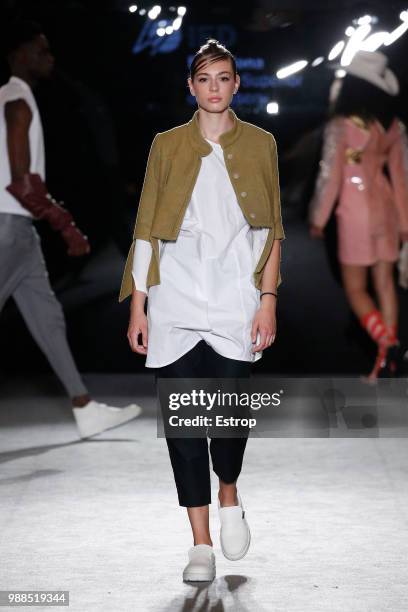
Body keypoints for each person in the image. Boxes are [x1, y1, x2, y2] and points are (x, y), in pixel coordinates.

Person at [120, 39, 285, 581]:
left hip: (237, 299)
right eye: (204, 78)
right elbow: (146, 227)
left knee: (229, 421)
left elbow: (272, 231)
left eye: (224, 78)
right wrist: (140, 304)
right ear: (190, 87)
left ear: (237, 85)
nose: (214, 87)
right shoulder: (166, 146)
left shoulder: (262, 145)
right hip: (176, 300)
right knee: (185, 428)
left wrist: (268, 301)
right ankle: (199, 544)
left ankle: (230, 494)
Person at [0, 20, 141, 438]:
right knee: (47, 318)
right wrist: (65, 224)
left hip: (18, 229)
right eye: (42, 51)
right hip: (9, 226)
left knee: (48, 319)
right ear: (21, 55)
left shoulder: (11, 97)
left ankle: (84, 406)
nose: (51, 59)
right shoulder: (17, 100)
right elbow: (22, 179)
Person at [309, 50, 408, 381]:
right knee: (385, 283)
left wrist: (319, 218)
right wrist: (406, 223)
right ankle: (386, 361)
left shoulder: (342, 126)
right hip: (388, 209)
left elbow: (331, 176)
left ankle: (386, 343)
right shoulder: (393, 127)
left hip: (355, 213)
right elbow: (401, 177)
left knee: (355, 289)